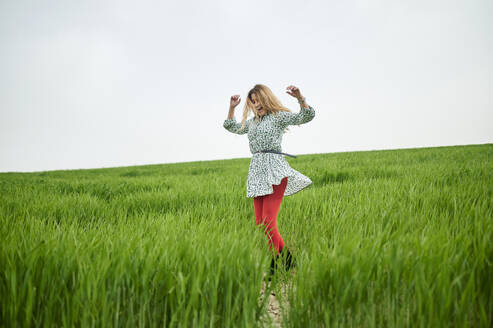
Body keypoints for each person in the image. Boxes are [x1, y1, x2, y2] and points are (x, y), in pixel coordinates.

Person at [223, 84, 316, 279]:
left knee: (268, 221)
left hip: (275, 170)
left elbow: (306, 116)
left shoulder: (277, 117)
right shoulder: (253, 123)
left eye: (259, 100)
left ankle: (275, 265)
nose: (256, 105)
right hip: (257, 172)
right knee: (260, 222)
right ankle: (289, 260)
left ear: (267, 98)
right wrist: (232, 107)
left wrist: (300, 97)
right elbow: (231, 126)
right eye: (253, 102)